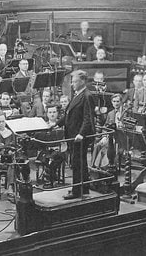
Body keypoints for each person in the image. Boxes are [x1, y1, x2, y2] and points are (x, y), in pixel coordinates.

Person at [57, 70, 95, 200]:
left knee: (77, 163)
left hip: (79, 137)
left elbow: (88, 118)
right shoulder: (77, 94)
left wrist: (81, 134)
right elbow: (68, 113)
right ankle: (83, 188)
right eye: (72, 82)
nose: (72, 84)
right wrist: (57, 124)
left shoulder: (87, 95)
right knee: (80, 163)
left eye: (74, 82)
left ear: (83, 81)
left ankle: (76, 191)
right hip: (72, 135)